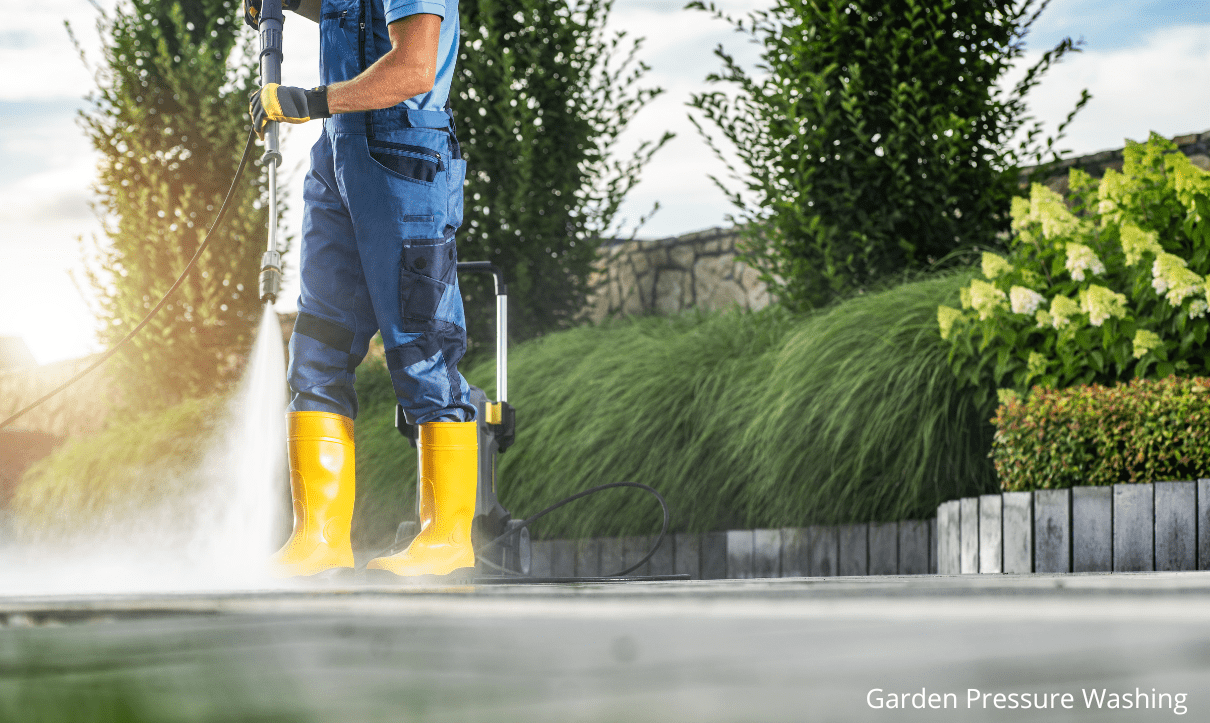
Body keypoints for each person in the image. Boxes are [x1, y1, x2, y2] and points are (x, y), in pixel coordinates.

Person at [244, 0, 476, 582]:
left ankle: (447, 538)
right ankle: (317, 539)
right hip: (338, 155)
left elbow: (414, 69)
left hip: (404, 157)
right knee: (318, 348)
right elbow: (344, 12)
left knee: (423, 345)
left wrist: (311, 100)